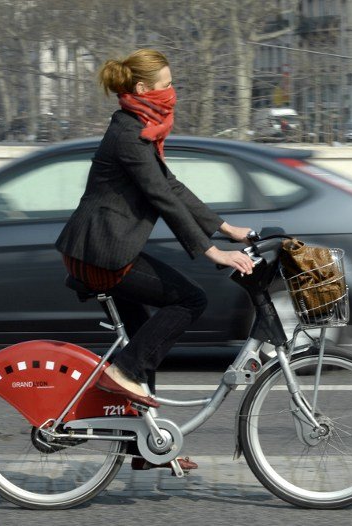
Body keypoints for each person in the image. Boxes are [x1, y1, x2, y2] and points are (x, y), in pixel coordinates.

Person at [55, 49, 255, 472]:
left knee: (144, 339)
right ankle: (126, 375)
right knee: (189, 301)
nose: (171, 91)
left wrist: (225, 228)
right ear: (143, 89)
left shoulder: (140, 128)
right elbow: (161, 198)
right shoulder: (129, 134)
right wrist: (211, 250)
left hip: (107, 248)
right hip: (101, 254)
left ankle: (140, 445)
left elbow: (170, 185)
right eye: (165, 84)